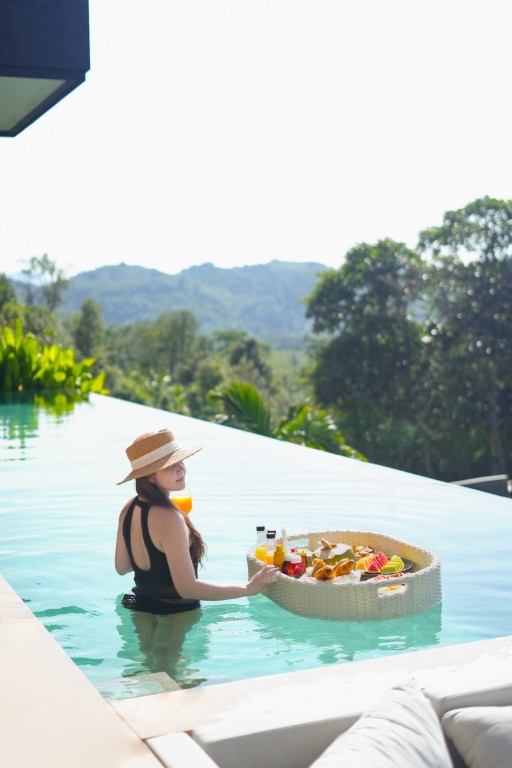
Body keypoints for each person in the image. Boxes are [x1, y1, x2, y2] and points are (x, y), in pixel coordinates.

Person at [115, 427, 278, 615]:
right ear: (149, 476)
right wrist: (248, 588)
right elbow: (187, 589)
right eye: (169, 465)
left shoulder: (129, 508)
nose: (180, 469)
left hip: (140, 606)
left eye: (180, 460)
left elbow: (122, 567)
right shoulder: (170, 518)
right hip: (176, 615)